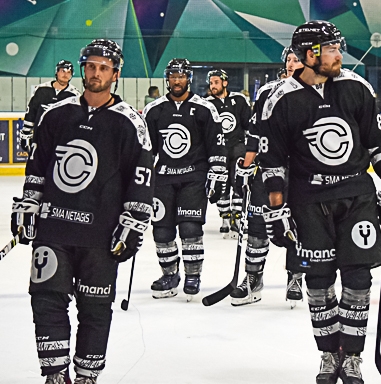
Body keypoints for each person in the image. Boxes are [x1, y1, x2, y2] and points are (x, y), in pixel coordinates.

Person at [256, 20, 381, 383]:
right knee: (319, 282)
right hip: (308, 204)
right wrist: (276, 210)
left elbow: (377, 146)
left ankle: (351, 356)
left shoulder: (356, 88)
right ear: (311, 55)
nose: (340, 55)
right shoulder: (280, 101)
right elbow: (272, 162)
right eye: (332, 49)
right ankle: (328, 354)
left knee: (358, 279)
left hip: (357, 198)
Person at [11, 39, 153, 384]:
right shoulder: (56, 114)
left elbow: (142, 177)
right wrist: (29, 202)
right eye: (90, 66)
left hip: (100, 236)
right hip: (54, 229)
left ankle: (87, 376)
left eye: (104, 67)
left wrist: (133, 221)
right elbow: (38, 165)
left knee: (94, 309)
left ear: (115, 74)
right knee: (46, 301)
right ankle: (55, 374)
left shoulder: (130, 123)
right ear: (82, 68)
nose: (96, 73)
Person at [143, 58, 227, 301]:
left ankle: (193, 274)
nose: (176, 80)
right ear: (167, 78)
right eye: (172, 76)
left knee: (190, 227)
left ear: (188, 78)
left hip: (193, 177)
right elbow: (147, 149)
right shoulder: (155, 110)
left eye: (181, 76)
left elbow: (216, 145)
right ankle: (169, 275)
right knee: (161, 230)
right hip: (163, 178)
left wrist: (217, 173)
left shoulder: (204, 109)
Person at [229, 46, 305, 307]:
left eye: (299, 59)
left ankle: (296, 277)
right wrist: (245, 167)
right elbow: (254, 132)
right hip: (268, 168)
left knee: (298, 225)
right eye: (290, 60)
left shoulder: (317, 91)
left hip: (301, 172)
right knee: (258, 224)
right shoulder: (267, 92)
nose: (294, 63)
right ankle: (253, 278)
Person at [205, 69, 251, 238]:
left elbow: (248, 124)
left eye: (216, 82)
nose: (213, 86)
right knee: (221, 183)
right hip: (218, 149)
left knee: (238, 182)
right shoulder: (207, 104)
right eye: (211, 83)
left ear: (225, 82)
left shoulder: (239, 100)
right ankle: (225, 218)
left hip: (238, 147)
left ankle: (237, 217)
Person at [20, 60, 81, 151]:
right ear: (57, 72)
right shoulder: (41, 90)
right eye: (63, 71)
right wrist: (26, 133)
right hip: (40, 138)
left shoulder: (75, 95)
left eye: (69, 72)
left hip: (62, 141)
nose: (65, 74)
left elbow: (76, 120)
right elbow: (31, 112)